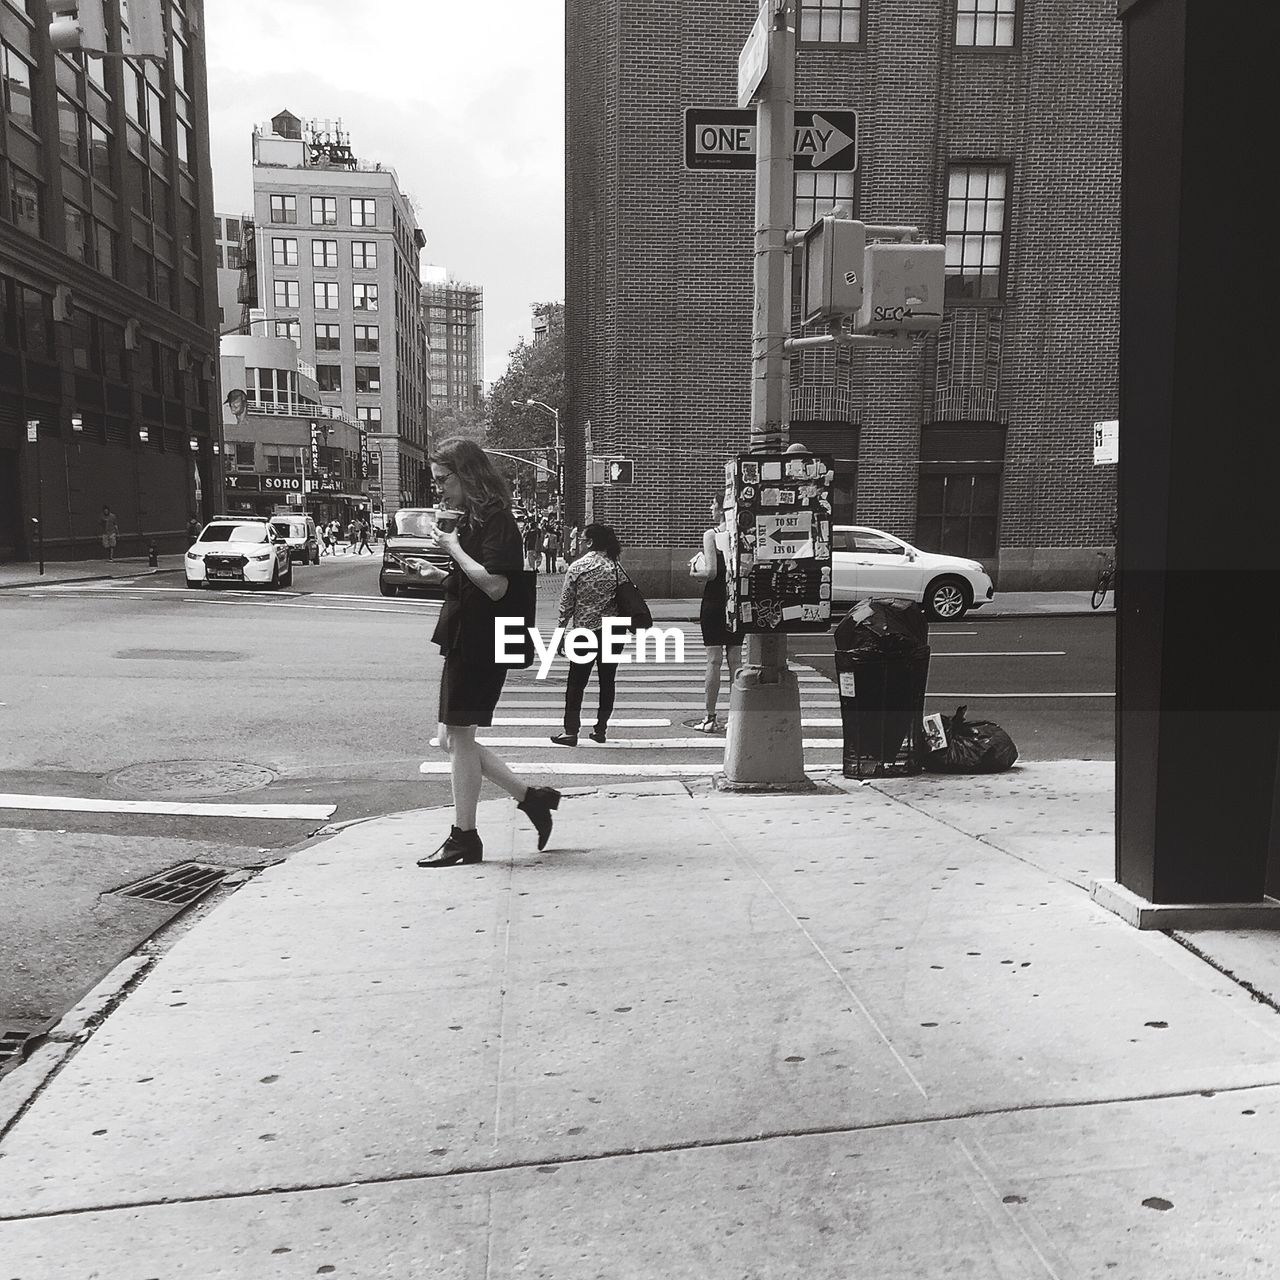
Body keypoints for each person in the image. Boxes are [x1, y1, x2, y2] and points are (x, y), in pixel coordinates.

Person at [412, 437, 560, 867]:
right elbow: (476, 579)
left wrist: (452, 548)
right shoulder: (475, 520)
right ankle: (531, 798)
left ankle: (465, 837)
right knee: (449, 738)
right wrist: (439, 569)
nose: (439, 488)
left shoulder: (498, 522)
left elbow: (496, 585)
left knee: (457, 736)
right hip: (466, 634)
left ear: (468, 474)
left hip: (483, 639)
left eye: (444, 479)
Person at [551, 523, 624, 747]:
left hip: (584, 631)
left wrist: (560, 633)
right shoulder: (616, 567)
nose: (581, 542)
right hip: (613, 632)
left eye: (583, 539)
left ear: (591, 542)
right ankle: (600, 729)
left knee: (576, 683)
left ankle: (571, 731)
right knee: (607, 681)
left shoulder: (578, 567)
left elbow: (566, 605)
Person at [687, 495, 743, 733]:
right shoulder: (741, 534)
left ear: (721, 510)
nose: (710, 507)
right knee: (735, 662)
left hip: (713, 602)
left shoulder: (711, 535)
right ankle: (736, 718)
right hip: (735, 602)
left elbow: (710, 572)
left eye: (713, 504)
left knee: (713, 660)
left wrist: (692, 571)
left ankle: (710, 718)